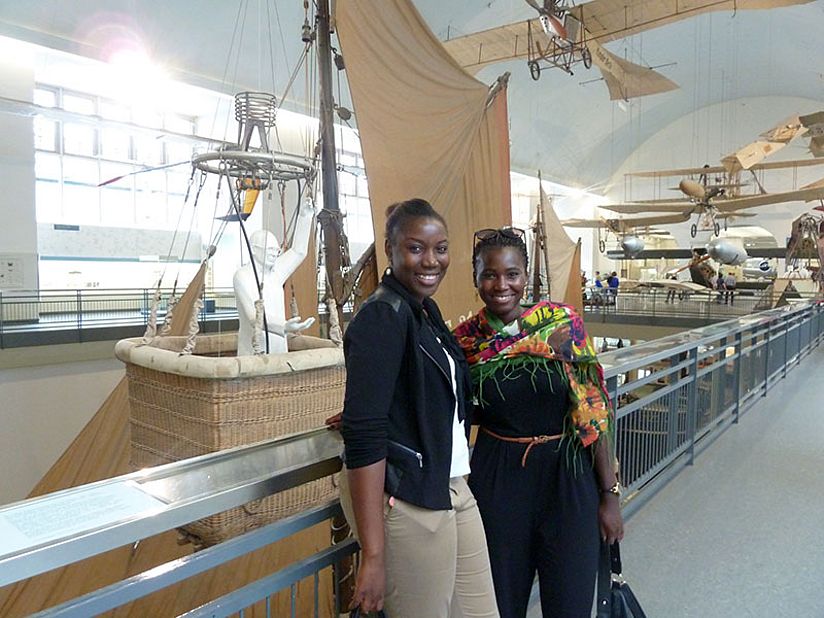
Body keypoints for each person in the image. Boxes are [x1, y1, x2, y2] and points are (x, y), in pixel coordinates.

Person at [337, 198, 498, 617]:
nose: (431, 260)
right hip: (409, 500)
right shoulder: (382, 316)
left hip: (452, 486)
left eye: (440, 248)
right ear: (389, 250)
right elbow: (365, 435)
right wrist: (374, 556)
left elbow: (422, 390)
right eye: (416, 248)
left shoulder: (424, 309)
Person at [454, 227, 624, 618]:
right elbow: (439, 397)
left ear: (525, 275)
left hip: (566, 480)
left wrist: (609, 496)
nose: (501, 285)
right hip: (498, 481)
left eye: (511, 274)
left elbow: (593, 410)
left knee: (570, 601)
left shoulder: (562, 324)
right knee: (499, 601)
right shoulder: (463, 341)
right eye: (489, 274)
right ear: (476, 278)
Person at [233, 199, 315, 355]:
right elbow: (253, 317)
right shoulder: (242, 276)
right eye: (269, 249)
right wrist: (283, 326)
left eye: (276, 250)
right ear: (254, 250)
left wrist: (305, 217)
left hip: (278, 349)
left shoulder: (276, 271)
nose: (274, 253)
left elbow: (298, 251)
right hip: (253, 351)